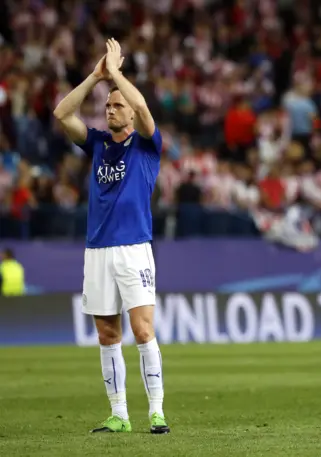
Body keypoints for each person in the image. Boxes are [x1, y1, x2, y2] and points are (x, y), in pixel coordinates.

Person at [53, 39, 169, 434]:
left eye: (116, 105)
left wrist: (117, 74)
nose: (109, 109)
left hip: (134, 249)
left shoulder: (147, 145)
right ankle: (119, 414)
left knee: (142, 330)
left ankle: (156, 412)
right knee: (107, 333)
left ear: (131, 116)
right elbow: (62, 112)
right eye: (107, 106)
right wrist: (96, 77)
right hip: (97, 250)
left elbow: (143, 108)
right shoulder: (98, 145)